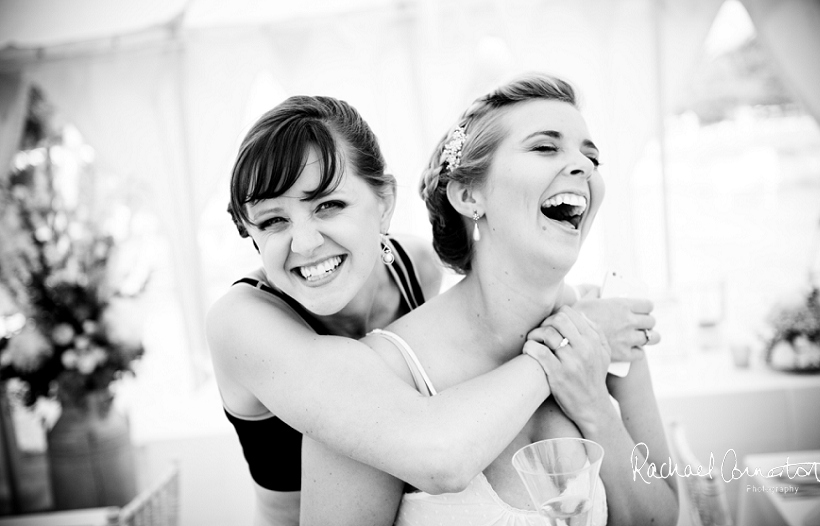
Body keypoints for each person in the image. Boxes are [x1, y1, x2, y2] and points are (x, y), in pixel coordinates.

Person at [206, 94, 659, 525]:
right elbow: (437, 454)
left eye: (329, 205)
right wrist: (572, 341)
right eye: (273, 220)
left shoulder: (416, 265)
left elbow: (454, 347)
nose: (303, 243)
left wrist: (566, 314)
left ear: (384, 204)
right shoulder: (240, 322)